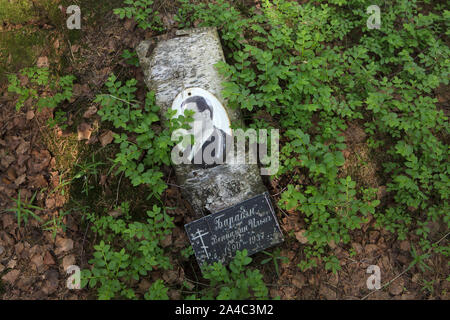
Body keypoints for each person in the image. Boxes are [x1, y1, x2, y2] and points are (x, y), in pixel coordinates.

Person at [180, 95, 231, 169]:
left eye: (189, 117)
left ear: (206, 114)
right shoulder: (188, 145)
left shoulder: (224, 141)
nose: (185, 124)